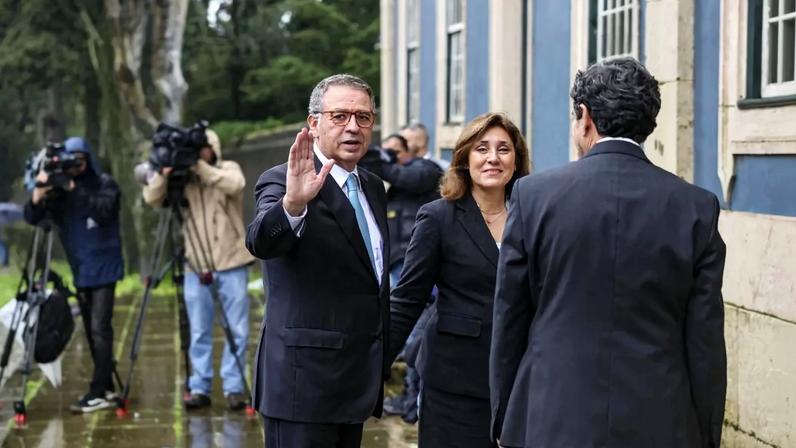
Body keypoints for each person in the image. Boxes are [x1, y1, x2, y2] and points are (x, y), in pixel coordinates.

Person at [489, 57, 727, 448]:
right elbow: (704, 341)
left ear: (585, 118)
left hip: (552, 413)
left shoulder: (533, 196)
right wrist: (705, 432)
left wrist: (503, 416)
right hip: (660, 417)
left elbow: (511, 315)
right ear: (648, 123)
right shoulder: (695, 206)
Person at [246, 74, 389, 448]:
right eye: (339, 116)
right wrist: (293, 205)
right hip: (302, 386)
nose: (353, 127)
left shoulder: (372, 185)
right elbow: (261, 241)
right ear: (314, 123)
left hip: (355, 381)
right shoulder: (282, 180)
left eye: (363, 117)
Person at [389, 112, 531, 447]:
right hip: (456, 382)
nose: (493, 158)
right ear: (465, 158)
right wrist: (371, 367)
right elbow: (408, 299)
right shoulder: (439, 217)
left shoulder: (533, 217)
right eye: (482, 148)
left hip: (522, 380)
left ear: (516, 160)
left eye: (503, 149)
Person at [142, 128, 255, 411]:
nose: (199, 154)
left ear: (212, 148)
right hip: (196, 264)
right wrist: (165, 173)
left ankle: (234, 387)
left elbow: (235, 184)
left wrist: (200, 166)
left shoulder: (226, 168)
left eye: (203, 148)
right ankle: (200, 386)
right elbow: (151, 198)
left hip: (231, 262)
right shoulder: (183, 180)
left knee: (238, 330)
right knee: (199, 331)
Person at [24, 137, 124, 413]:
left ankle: (99, 389)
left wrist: (72, 187)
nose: (76, 166)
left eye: (80, 160)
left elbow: (105, 210)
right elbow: (33, 217)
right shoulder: (61, 192)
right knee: (94, 334)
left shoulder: (104, 183)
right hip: (81, 270)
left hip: (105, 266)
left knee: (100, 330)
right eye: (71, 162)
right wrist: (39, 190)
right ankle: (105, 385)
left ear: (88, 159)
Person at [365, 133, 442, 423]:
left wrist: (383, 159)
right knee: (405, 332)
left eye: (397, 150)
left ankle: (412, 401)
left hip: (417, 267)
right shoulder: (393, 188)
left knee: (415, 336)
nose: (389, 156)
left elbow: (406, 176)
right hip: (396, 262)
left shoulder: (427, 169)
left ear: (414, 149)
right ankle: (407, 396)